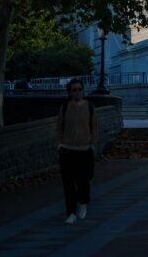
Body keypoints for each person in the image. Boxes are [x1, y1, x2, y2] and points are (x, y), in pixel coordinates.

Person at [57, 78, 98, 224]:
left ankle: (83, 201)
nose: (77, 92)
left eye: (80, 89)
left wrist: (93, 144)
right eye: (74, 89)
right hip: (67, 150)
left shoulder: (89, 106)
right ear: (69, 92)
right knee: (68, 183)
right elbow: (59, 126)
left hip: (84, 149)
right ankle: (71, 213)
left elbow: (94, 126)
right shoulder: (65, 106)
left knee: (84, 180)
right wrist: (60, 143)